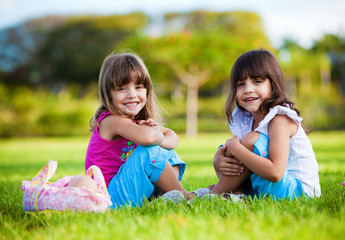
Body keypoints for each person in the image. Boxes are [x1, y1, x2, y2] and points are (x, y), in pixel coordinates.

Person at [71, 52, 194, 208]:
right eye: (122, 89)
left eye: (138, 87)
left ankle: (166, 195)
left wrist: (156, 134)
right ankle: (185, 197)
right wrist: (154, 134)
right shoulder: (111, 121)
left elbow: (173, 138)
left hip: (126, 189)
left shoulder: (134, 122)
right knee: (150, 152)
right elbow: (149, 140)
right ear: (108, 93)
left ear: (147, 90)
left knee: (166, 152)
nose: (132, 94)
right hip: (109, 197)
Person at [208, 49, 321, 199]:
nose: (248, 89)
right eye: (241, 84)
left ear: (273, 85)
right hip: (270, 187)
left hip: (298, 192)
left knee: (247, 142)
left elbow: (275, 173)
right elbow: (241, 163)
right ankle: (238, 196)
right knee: (227, 149)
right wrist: (218, 161)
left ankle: (215, 195)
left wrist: (237, 149)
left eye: (257, 82)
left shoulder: (280, 119)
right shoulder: (247, 119)